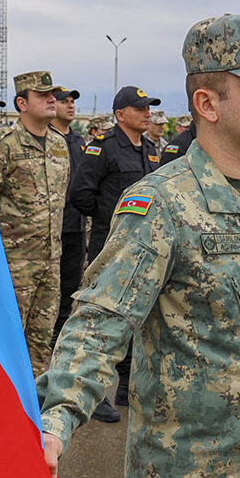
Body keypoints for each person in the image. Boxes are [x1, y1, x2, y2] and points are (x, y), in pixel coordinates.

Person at [37, 14, 240, 478]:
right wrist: (56, 419)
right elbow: (101, 321)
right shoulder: (163, 203)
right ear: (207, 103)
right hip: (185, 474)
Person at [69, 84, 161, 423]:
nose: (147, 112)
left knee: (136, 318)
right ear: (120, 114)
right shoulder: (103, 148)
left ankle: (125, 387)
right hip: (111, 246)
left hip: (144, 247)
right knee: (103, 319)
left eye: (148, 107)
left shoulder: (149, 149)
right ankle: (91, 395)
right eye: (140, 108)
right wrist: (110, 222)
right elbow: (81, 194)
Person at [0, 71, 68, 376]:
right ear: (22, 103)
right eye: (42, 95)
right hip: (14, 267)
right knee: (7, 342)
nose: (51, 99)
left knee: (41, 344)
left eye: (52, 94)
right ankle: (1, 411)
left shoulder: (60, 145)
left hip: (50, 265)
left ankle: (34, 411)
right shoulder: (3, 145)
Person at [48, 87, 87, 350]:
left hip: (75, 228)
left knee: (68, 296)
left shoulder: (79, 142)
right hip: (51, 231)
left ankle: (58, 349)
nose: (70, 106)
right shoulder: (47, 138)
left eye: (73, 101)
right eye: (64, 102)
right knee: (48, 298)